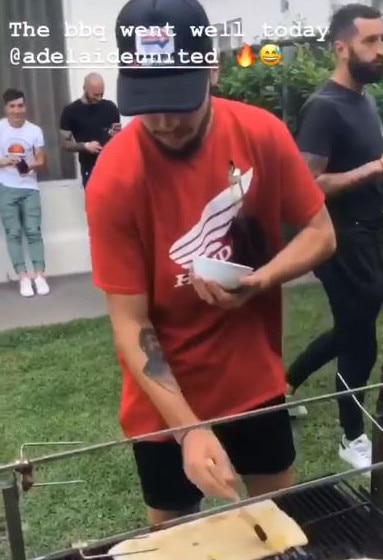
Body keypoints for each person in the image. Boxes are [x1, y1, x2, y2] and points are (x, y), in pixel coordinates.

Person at [85, 0, 336, 526]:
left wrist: (260, 280)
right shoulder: (115, 176)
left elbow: (320, 234)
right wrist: (189, 429)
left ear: (212, 69)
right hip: (162, 404)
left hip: (256, 382)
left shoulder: (261, 134)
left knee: (274, 528)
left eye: (178, 97)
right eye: (147, 99)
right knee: (178, 539)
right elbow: (130, 324)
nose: (163, 120)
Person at [286, 4, 383, 479]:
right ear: (341, 47)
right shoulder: (324, 106)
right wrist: (378, 167)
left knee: (350, 328)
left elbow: (366, 173)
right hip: (336, 240)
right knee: (360, 340)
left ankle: (282, 386)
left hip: (366, 234)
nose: (381, 50)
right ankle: (351, 437)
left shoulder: (366, 100)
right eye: (370, 42)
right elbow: (306, 185)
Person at [0, 88, 50, 297]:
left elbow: (42, 161)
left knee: (33, 231)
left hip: (30, 188)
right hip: (6, 187)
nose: (17, 110)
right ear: (6, 108)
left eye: (20, 106)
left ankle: (39, 275)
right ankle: (23, 277)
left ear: (25, 106)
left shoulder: (34, 131)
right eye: (12, 106)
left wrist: (30, 165)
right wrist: (5, 162)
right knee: (13, 233)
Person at [59, 73, 121, 188]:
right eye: (95, 94)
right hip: (89, 166)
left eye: (101, 94)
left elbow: (118, 135)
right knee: (94, 204)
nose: (99, 98)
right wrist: (85, 146)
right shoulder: (70, 111)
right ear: (85, 89)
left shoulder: (111, 108)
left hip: (112, 164)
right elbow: (65, 145)